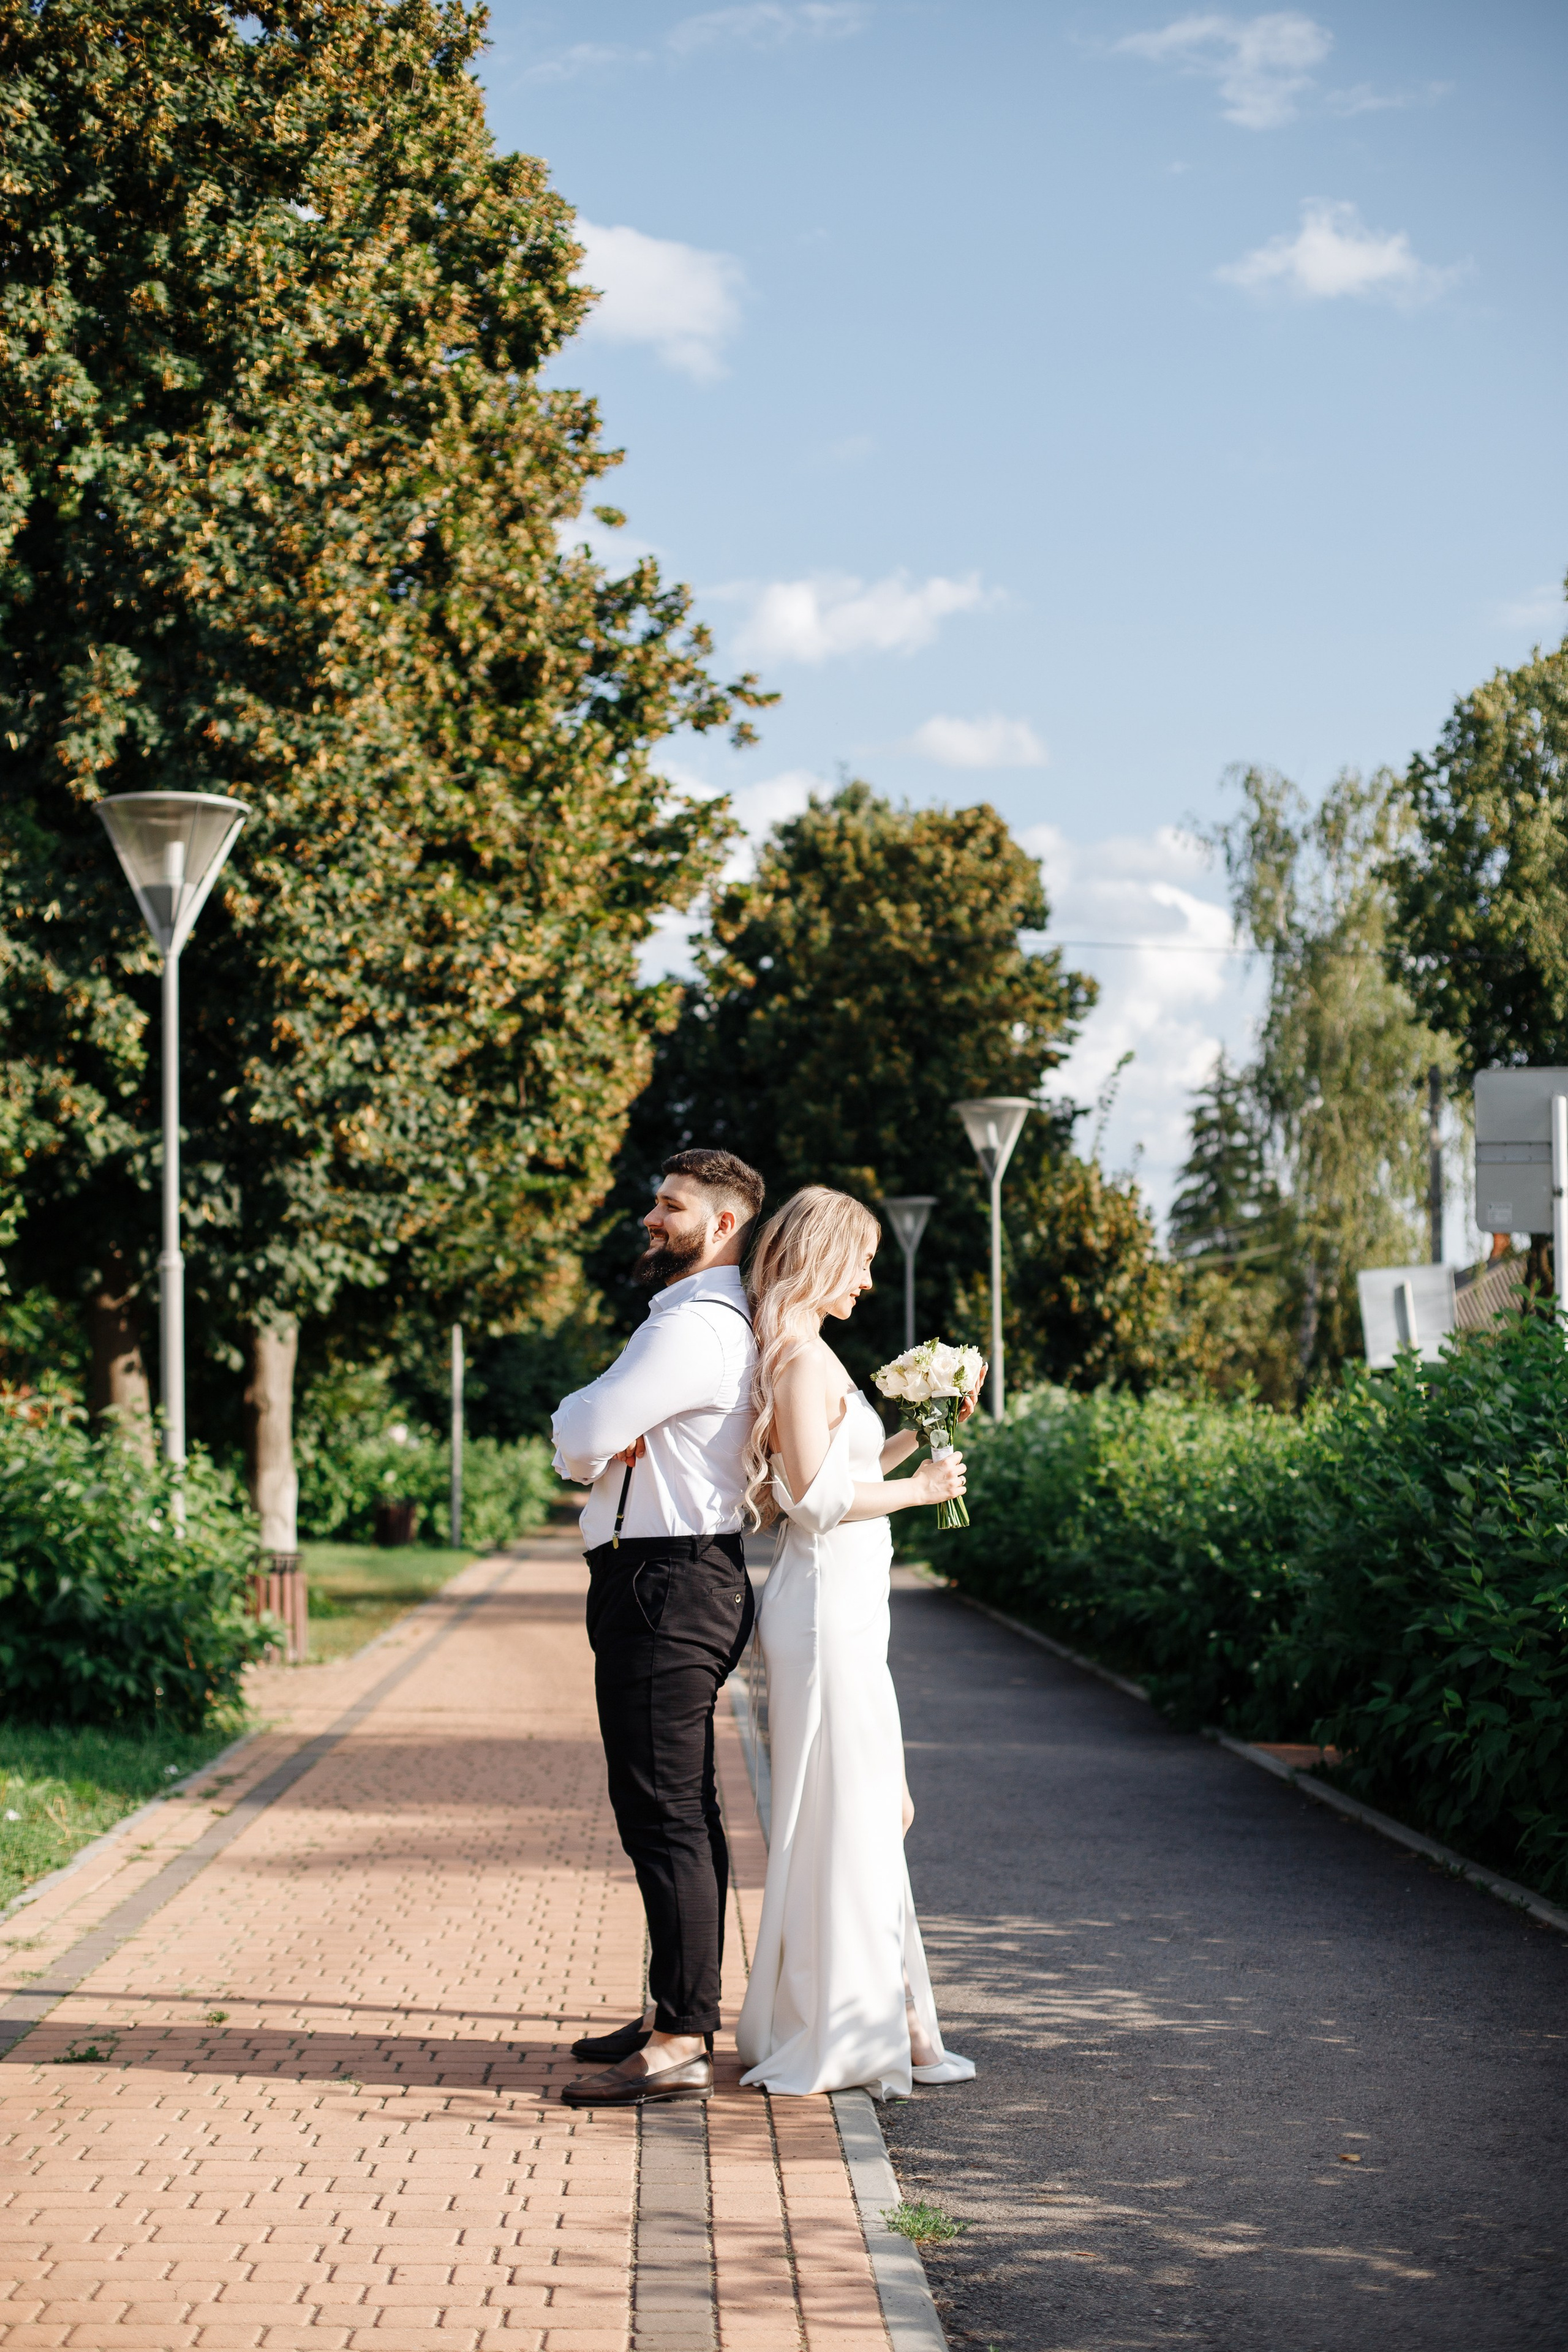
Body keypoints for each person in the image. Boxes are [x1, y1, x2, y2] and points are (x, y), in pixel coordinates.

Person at [734, 1186, 979, 2100]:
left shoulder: (814, 1355)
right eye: (862, 1261)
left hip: (848, 1608)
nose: (872, 1280)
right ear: (822, 1258)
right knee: (854, 1806)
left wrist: (926, 1431)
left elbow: (842, 1470)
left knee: (872, 1804)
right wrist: (921, 1492)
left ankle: (895, 2016)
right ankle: (866, 2022)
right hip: (822, 1608)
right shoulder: (799, 1362)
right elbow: (814, 1500)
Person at [551, 1148, 765, 2109]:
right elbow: (601, 1435)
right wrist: (598, 1441)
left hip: (664, 1583)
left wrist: (583, 1437)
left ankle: (681, 2035)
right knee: (681, 1809)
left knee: (664, 1812)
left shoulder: (697, 1331)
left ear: (722, 1225)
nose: (651, 1217)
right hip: (672, 1577)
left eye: (669, 1206)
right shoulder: (687, 1323)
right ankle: (675, 2006)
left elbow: (583, 1428)